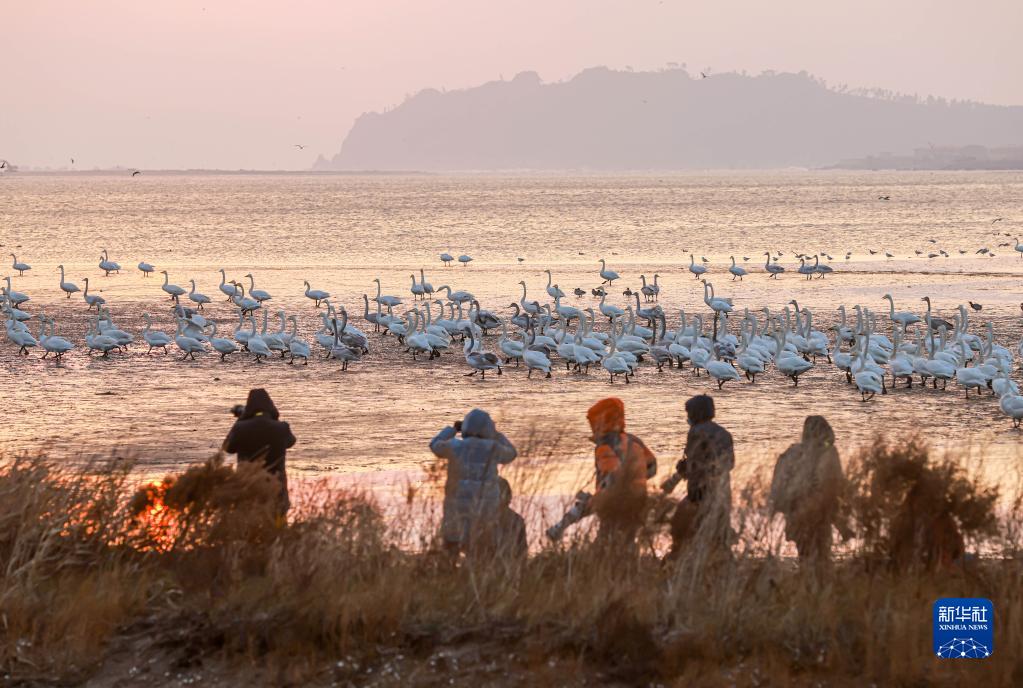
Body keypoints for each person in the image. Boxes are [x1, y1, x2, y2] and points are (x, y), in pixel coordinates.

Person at [430, 408, 517, 557]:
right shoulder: (493, 448)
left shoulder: (455, 446)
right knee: (482, 552)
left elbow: (435, 445)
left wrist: (452, 430)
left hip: (456, 510)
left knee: (451, 549)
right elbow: (511, 453)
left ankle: (449, 574)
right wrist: (497, 435)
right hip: (486, 511)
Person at [770, 416, 849, 571]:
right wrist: (840, 520)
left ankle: (806, 585)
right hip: (818, 516)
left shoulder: (791, 453)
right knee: (822, 559)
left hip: (796, 514)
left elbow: (778, 490)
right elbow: (833, 488)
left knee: (805, 556)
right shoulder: (828, 453)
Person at [667, 395, 734, 560]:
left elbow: (694, 466)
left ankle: (680, 563)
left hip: (700, 492)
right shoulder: (724, 433)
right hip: (723, 491)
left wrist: (682, 475)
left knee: (681, 527)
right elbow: (729, 464)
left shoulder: (696, 431)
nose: (687, 417)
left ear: (696, 413)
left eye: (688, 412)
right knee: (718, 535)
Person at [586, 397, 657, 550]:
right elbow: (652, 467)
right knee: (628, 539)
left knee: (606, 542)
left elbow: (609, 478)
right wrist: (636, 479)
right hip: (638, 501)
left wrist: (597, 499)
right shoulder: (634, 440)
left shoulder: (604, 445)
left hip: (614, 503)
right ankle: (630, 568)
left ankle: (609, 570)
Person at [224, 388, 296, 514]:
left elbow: (228, 448)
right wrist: (274, 418)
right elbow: (291, 442)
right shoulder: (282, 428)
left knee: (248, 529)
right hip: (277, 492)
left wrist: (241, 418)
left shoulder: (241, 428)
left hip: (248, 490)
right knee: (277, 529)